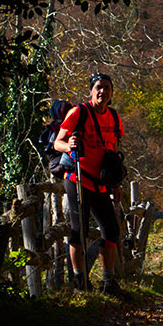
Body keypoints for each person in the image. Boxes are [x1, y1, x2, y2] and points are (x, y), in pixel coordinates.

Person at [55, 71, 124, 295]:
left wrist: (116, 183)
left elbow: (114, 149)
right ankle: (80, 282)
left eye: (107, 87)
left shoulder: (114, 117)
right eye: (98, 87)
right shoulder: (79, 112)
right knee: (79, 232)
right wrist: (70, 146)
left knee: (112, 231)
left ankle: (108, 282)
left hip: (101, 183)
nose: (103, 91)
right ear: (91, 91)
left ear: (112, 93)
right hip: (78, 179)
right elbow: (58, 143)